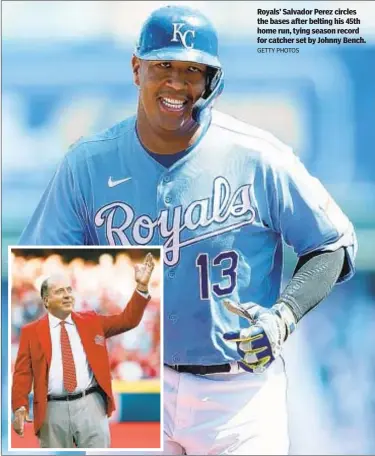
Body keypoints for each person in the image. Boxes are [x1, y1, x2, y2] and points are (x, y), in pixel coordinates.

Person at [19, 5, 357, 455]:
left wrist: (284, 316)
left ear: (211, 81)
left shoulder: (257, 157)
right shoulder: (88, 163)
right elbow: (40, 271)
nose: (177, 82)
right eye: (163, 65)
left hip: (237, 392)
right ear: (137, 68)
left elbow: (332, 244)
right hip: (133, 383)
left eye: (192, 70)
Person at [11, 253, 155, 449]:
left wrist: (142, 287)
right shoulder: (31, 332)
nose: (67, 295)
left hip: (91, 403)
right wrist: (20, 406)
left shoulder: (91, 321)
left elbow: (127, 320)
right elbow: (22, 374)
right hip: (51, 409)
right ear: (45, 301)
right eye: (59, 291)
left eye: (69, 290)